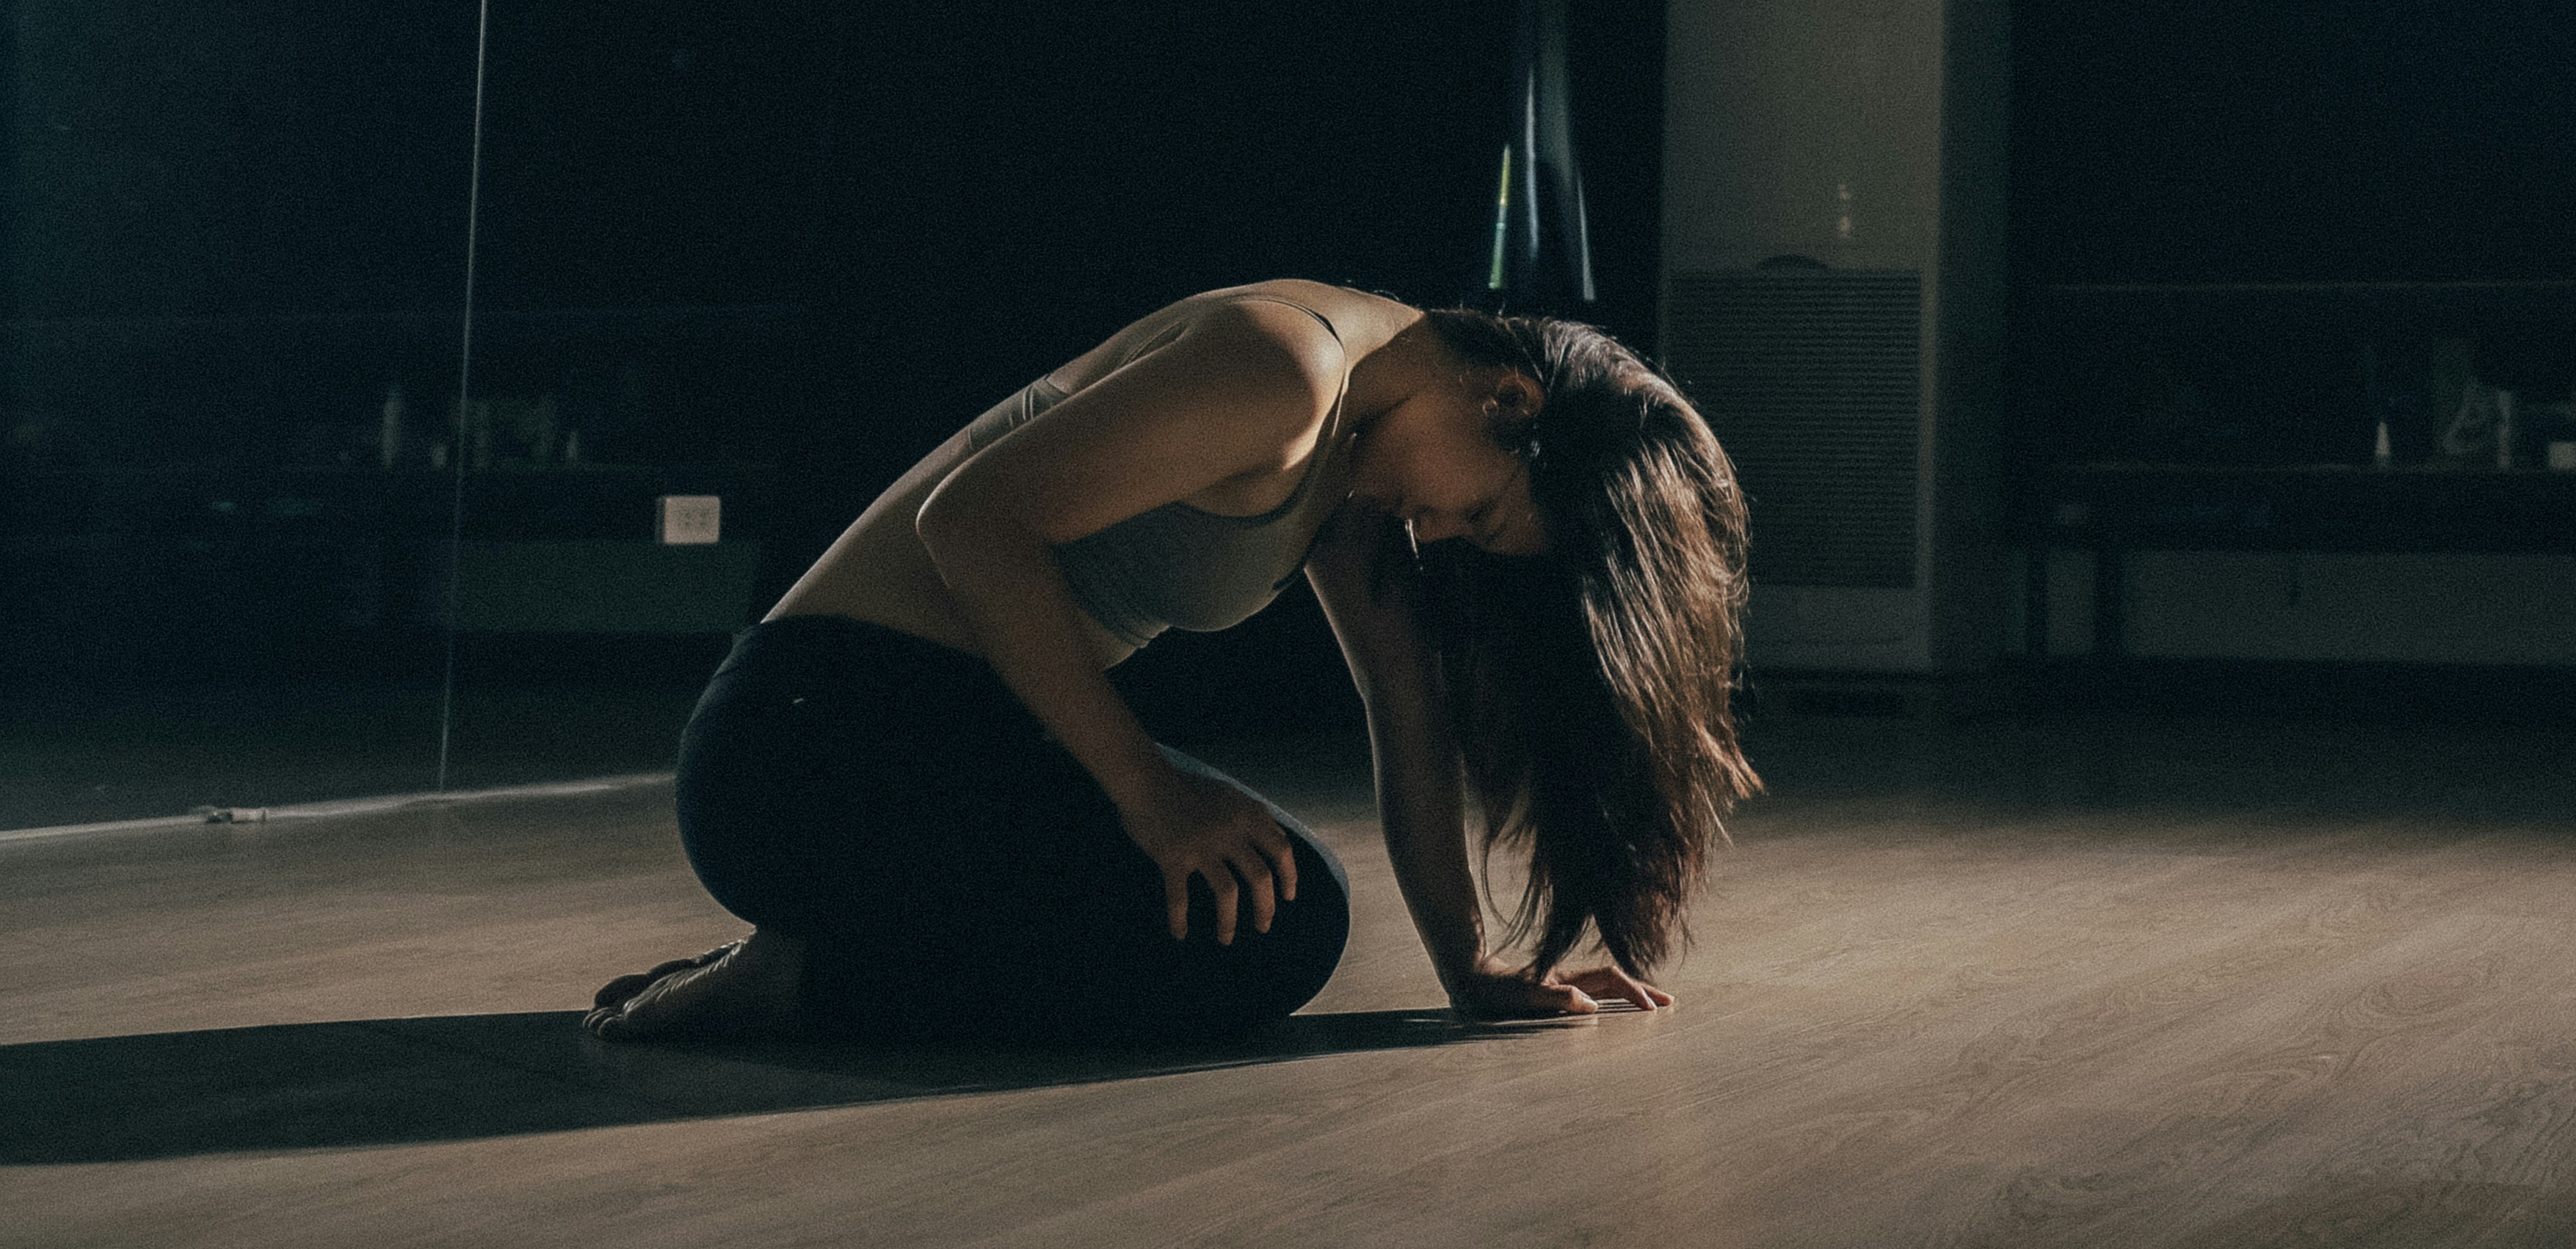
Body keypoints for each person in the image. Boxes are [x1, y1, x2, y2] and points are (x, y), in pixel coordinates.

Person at [580, 284, 1756, 1043]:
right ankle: (800, 978)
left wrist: (1472, 966)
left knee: (1279, 913)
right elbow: (967, 526)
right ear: (1508, 396)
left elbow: (1411, 719)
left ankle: (818, 950)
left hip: (948, 740)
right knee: (1263, 925)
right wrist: (1146, 791)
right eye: (1483, 512)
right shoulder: (1285, 373)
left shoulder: (1357, 464)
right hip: (808, 740)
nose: (1440, 534)